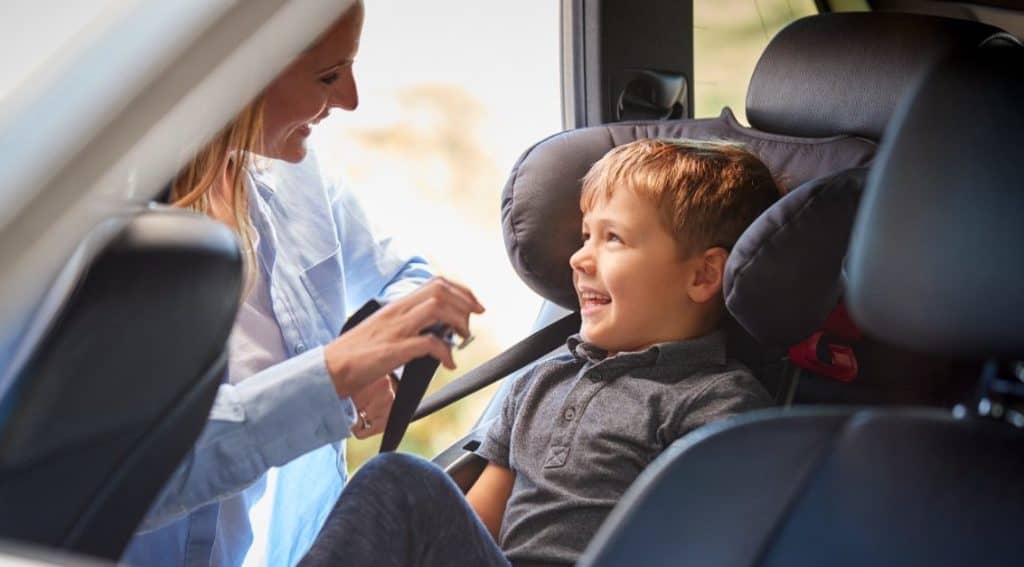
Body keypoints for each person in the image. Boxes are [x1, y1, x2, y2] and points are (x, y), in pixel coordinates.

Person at [297, 138, 781, 566]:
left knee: (396, 480)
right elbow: (477, 528)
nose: (579, 257)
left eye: (612, 238)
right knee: (398, 487)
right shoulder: (538, 383)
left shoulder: (716, 404)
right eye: (585, 235)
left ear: (702, 276)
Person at [122, 2, 485, 566]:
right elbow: (124, 478)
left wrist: (379, 361)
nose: (351, 99)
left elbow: (405, 279)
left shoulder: (299, 184)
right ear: (239, 76)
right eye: (327, 75)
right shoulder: (103, 236)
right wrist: (334, 374)